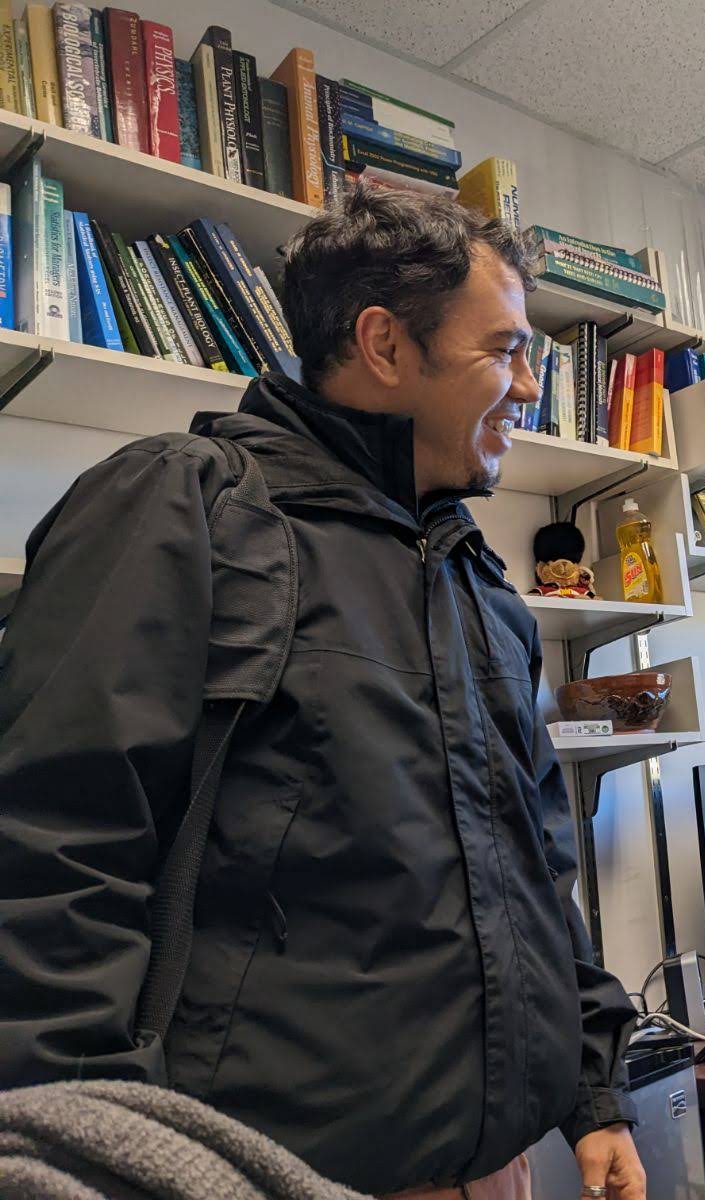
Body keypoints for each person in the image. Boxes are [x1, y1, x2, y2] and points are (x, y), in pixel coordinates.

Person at [0, 186, 646, 1200]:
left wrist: (595, 1091)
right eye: (505, 351)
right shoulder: (186, 502)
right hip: (265, 1176)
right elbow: (54, 847)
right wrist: (91, 1161)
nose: (528, 387)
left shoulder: (483, 587)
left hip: (500, 1166)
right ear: (385, 344)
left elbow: (536, 863)